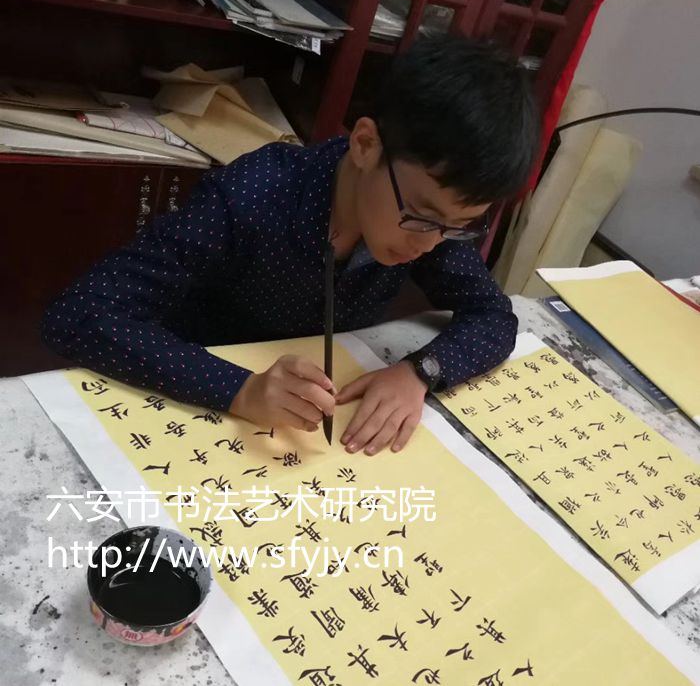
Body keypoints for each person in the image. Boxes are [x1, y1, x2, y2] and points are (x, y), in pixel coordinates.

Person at [42, 36, 539, 457]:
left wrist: (419, 372)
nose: (429, 244)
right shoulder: (252, 197)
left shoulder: (432, 218)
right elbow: (78, 313)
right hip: (197, 405)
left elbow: (493, 315)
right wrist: (239, 389)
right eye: (422, 216)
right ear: (366, 145)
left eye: (460, 226)